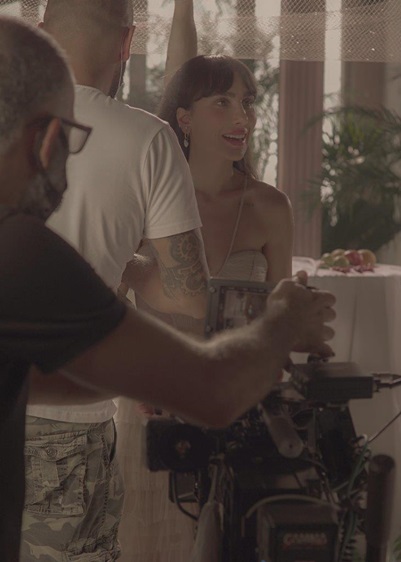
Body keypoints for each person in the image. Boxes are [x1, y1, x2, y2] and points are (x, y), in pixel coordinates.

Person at [22, 0, 211, 559]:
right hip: (63, 427)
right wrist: (119, 260)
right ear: (127, 42)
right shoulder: (147, 140)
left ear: (41, 33)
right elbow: (189, 295)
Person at [116, 1, 294, 559]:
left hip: (235, 414)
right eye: (223, 102)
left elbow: (280, 322)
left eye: (248, 102)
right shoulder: (146, 200)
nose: (243, 116)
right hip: (150, 412)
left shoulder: (270, 208)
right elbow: (109, 307)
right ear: (185, 119)